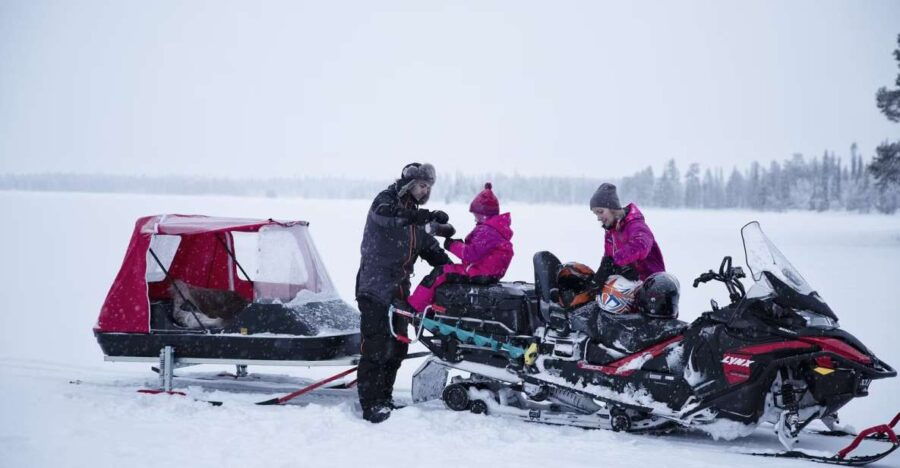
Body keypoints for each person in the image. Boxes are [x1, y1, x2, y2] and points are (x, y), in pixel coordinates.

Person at [355, 162, 452, 423]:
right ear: (409, 184)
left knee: (397, 348)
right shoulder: (386, 201)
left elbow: (430, 248)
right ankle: (370, 404)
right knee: (375, 348)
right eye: (421, 185)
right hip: (374, 288)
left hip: (399, 292)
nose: (425, 191)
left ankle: (384, 398)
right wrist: (422, 216)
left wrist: (454, 270)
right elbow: (387, 215)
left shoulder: (414, 219)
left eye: (428, 187)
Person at [406, 183, 514, 313]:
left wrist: (451, 245)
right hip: (488, 273)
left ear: (484, 214)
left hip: (480, 273)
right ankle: (434, 309)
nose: (475, 219)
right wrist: (461, 244)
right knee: (449, 275)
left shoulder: (487, 231)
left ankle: (413, 307)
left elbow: (470, 254)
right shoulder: (496, 229)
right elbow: (479, 251)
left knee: (440, 273)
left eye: (476, 215)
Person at [589, 183, 665, 287]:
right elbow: (609, 259)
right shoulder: (611, 231)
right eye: (596, 214)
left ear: (613, 209)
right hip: (629, 287)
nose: (598, 218)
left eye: (600, 212)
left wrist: (615, 262)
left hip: (651, 286)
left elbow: (641, 245)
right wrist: (600, 276)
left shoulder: (635, 225)